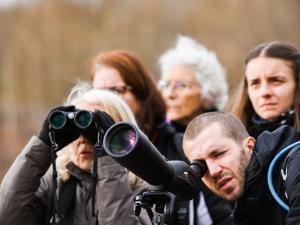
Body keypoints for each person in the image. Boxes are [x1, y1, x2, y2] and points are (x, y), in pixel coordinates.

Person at [90, 50, 233, 225]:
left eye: (116, 90)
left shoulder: (180, 147)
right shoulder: (82, 151)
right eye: (98, 91)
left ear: (142, 95)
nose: (106, 99)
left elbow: (220, 215)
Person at [0, 82, 151, 225]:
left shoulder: (146, 193)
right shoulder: (53, 186)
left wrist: (108, 159)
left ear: (125, 137)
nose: (84, 140)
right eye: (77, 130)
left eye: (96, 131)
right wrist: (43, 145)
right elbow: (6, 217)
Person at [183, 111, 300, 225]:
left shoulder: (294, 160)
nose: (213, 171)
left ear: (249, 146)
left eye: (218, 154)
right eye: (201, 167)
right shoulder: (246, 207)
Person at [227, 41, 300, 138]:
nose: (264, 92)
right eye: (255, 83)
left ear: (297, 83)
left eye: (276, 80)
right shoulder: (231, 141)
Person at [158, 35, 228, 132]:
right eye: (166, 85)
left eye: (182, 85)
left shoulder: (225, 134)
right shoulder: (156, 135)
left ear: (208, 93)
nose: (170, 94)